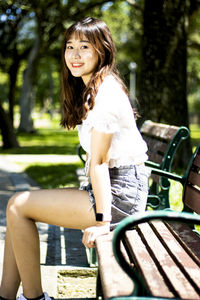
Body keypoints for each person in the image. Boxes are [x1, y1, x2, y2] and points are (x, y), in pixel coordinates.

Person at [0, 17, 149, 300]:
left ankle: (35, 298)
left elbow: (100, 163)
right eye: (70, 47)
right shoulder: (94, 87)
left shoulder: (105, 94)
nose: (75, 55)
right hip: (116, 188)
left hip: (120, 196)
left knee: (18, 206)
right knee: (16, 209)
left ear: (102, 51)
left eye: (84, 46)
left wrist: (103, 223)